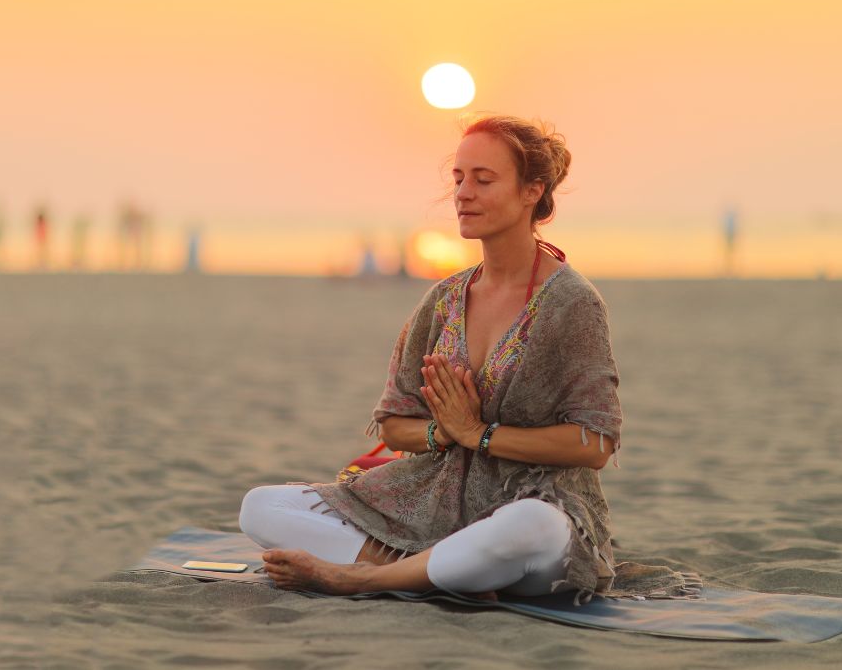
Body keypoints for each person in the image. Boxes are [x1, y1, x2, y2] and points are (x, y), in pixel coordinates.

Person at [239, 115, 699, 605]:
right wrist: (445, 432)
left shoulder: (573, 303)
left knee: (528, 527)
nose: (463, 193)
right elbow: (395, 424)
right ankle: (441, 570)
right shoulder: (445, 298)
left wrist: (479, 434)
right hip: (434, 503)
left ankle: (364, 577)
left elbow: (595, 444)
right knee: (261, 507)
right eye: (458, 179)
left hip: (537, 504)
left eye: (484, 179)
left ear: (531, 192)